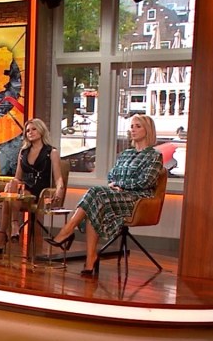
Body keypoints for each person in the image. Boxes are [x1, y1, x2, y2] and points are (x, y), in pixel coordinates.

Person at [46, 113, 164, 278]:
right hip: (117, 195)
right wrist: (115, 185)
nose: (133, 130)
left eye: (138, 126)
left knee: (96, 194)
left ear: (148, 130)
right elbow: (112, 175)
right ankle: (90, 258)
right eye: (131, 126)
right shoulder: (126, 154)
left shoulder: (154, 156)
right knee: (95, 204)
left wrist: (121, 185)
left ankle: (67, 230)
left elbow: (146, 181)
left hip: (138, 200)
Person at [0, 118, 65, 254]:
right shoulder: (23, 152)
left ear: (41, 130)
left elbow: (58, 177)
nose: (30, 132)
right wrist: (11, 185)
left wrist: (60, 189)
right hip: (23, 188)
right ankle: (13, 225)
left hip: (39, 190)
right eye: (27, 131)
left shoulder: (51, 152)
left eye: (34, 129)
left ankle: (3, 234)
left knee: (10, 198)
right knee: (12, 186)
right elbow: (18, 177)